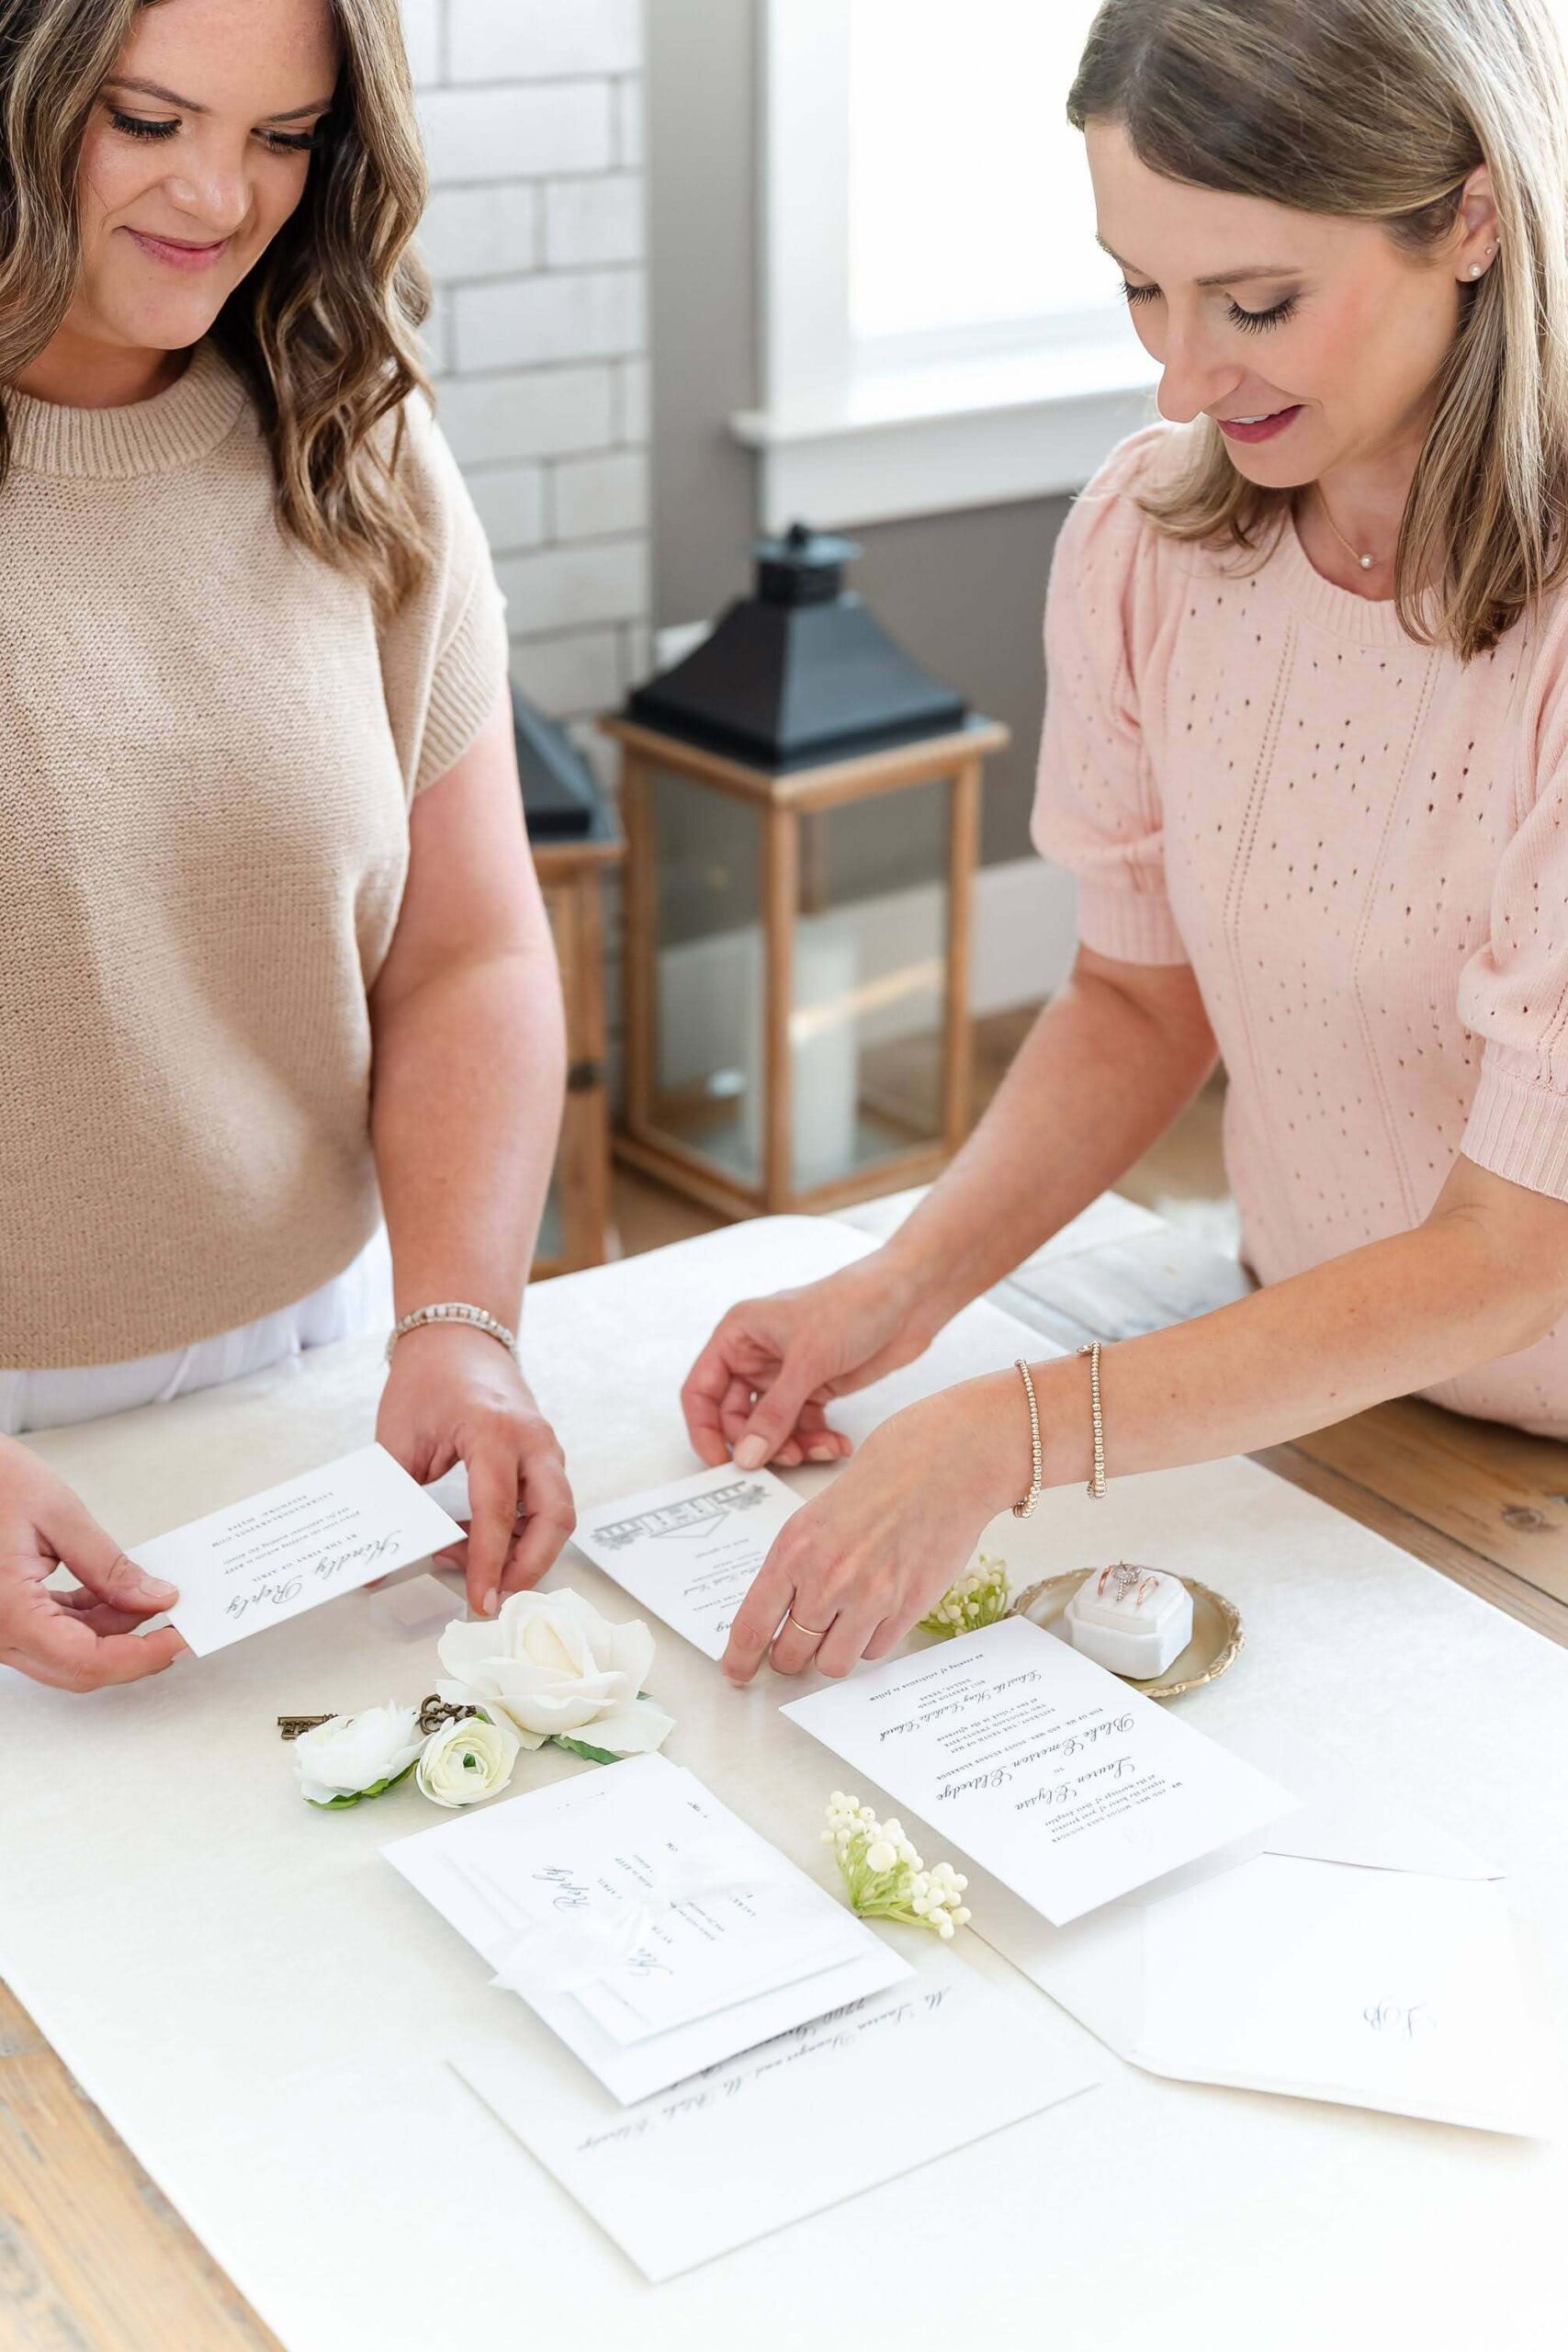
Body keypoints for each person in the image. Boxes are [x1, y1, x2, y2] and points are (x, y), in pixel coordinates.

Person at [684, 0, 1568, 1686]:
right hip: (1300, 1398)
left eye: (1255, 303)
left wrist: (1013, 1430)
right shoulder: (1153, 541)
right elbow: (1136, 1003)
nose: (1179, 375)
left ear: (1472, 216)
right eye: (1140, 291)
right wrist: (897, 1290)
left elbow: (1515, 1257)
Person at [0, 0, 574, 1693]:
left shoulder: (352, 433)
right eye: (147, 119)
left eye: (282, 134)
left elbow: (466, 948)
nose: (217, 199)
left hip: (299, 1378)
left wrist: (460, 1321)